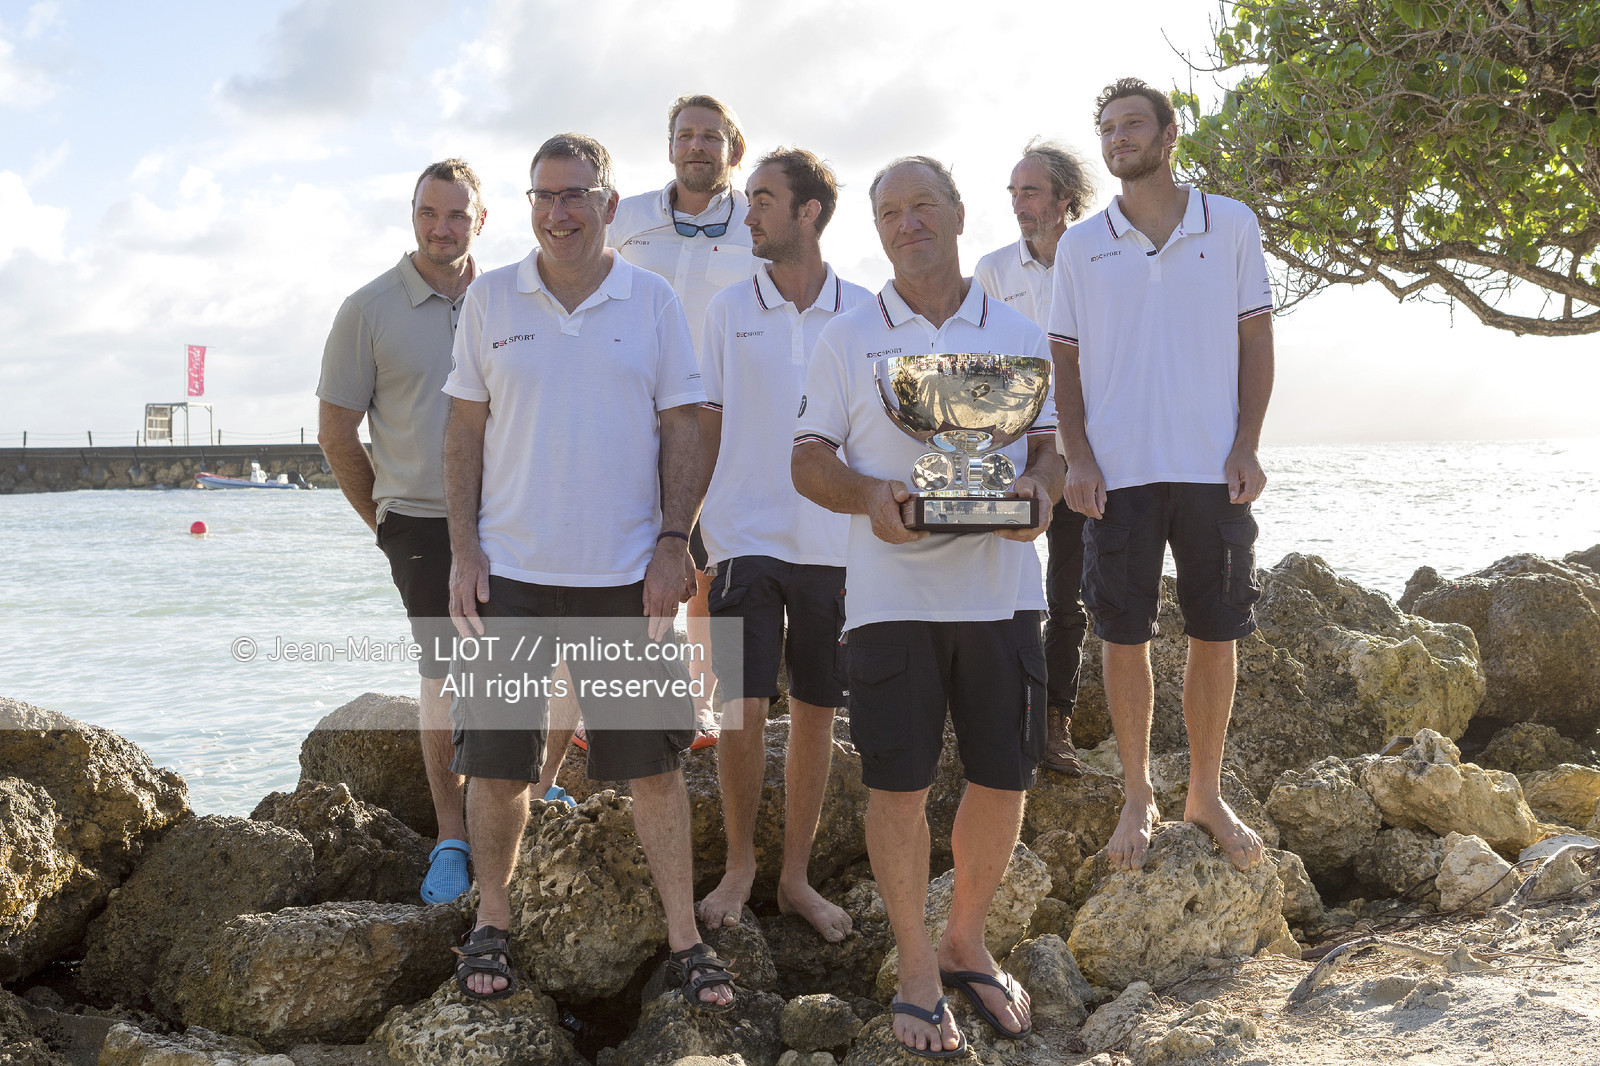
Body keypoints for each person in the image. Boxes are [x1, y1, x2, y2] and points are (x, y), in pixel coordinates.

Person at [440, 133, 733, 1010]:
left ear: (609, 204)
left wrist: (673, 542)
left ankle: (684, 937)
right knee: (496, 766)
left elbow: (684, 425)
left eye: (576, 195)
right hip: (511, 573)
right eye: (544, 196)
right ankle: (492, 919)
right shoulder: (491, 300)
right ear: (528, 204)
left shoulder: (650, 302)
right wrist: (463, 550)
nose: (558, 212)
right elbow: (462, 433)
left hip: (624, 575)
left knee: (654, 769)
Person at [793, 156, 1062, 1057]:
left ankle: (966, 938)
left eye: (923, 207)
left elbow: (1052, 449)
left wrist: (1041, 497)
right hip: (888, 598)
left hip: (1003, 595)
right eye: (890, 213)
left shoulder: (1020, 332)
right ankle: (916, 966)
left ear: (956, 214)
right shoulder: (846, 336)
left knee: (1002, 779)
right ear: (876, 231)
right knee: (896, 788)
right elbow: (807, 459)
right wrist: (871, 497)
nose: (908, 224)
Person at [1047, 78, 1275, 873]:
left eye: (1132, 125)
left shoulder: (1232, 224)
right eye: (1106, 128)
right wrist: (1077, 456)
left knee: (1218, 631)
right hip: (1119, 473)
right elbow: (1063, 364)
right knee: (1123, 633)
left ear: (1170, 135)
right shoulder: (1081, 246)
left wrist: (1247, 443)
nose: (1118, 138)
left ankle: (1204, 793)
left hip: (1213, 467)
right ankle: (1137, 791)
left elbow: (1255, 344)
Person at [694, 147, 870, 942]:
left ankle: (795, 877)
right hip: (741, 535)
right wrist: (678, 529)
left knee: (816, 709)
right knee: (739, 703)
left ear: (810, 212)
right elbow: (705, 424)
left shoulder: (867, 312)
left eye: (765, 199)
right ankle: (740, 865)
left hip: (837, 542)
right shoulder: (729, 309)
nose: (750, 211)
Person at [316, 158, 486, 905]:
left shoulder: (514, 297)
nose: (440, 227)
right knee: (446, 675)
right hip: (419, 521)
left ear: (481, 220)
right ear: (412, 215)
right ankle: (452, 836)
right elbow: (336, 431)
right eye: (428, 213)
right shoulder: (368, 308)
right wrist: (381, 519)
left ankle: (524, 801)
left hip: (511, 514)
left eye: (456, 215)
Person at [609, 93, 760, 745]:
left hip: (720, 418)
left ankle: (697, 703)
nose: (697, 145)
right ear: (670, 145)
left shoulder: (761, 220)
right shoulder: (628, 217)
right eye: (685, 134)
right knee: (619, 555)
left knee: (701, 567)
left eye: (711, 136)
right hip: (628, 412)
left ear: (734, 148)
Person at [974, 139, 1096, 776]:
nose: (1019, 204)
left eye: (1030, 192)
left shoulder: (1097, 261)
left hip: (1085, 452)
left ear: (1063, 201)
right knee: (1005, 582)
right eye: (1014, 193)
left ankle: (1055, 721)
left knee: (1070, 590)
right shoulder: (993, 271)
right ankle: (998, 710)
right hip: (1013, 451)